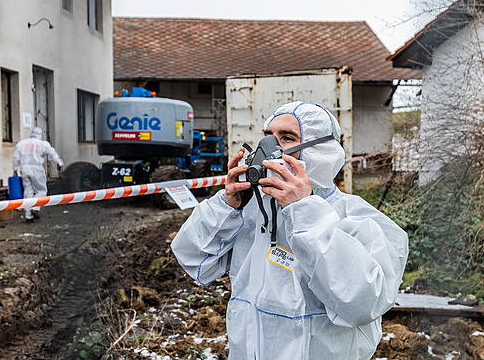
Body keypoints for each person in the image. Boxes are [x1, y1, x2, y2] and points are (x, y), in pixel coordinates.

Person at [171, 101, 409, 359]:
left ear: (319, 151)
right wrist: (226, 208)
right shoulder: (253, 212)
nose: (267, 149)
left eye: (286, 138)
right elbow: (194, 259)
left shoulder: (357, 219)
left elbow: (363, 302)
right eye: (268, 137)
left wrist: (304, 211)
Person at [13, 127, 63, 222]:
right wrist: (58, 163)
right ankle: (35, 208)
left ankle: (28, 216)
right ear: (40, 135)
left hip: (24, 169)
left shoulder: (21, 144)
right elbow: (52, 154)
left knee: (27, 192)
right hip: (37, 168)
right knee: (41, 190)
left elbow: (16, 158)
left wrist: (15, 169)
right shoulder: (43, 144)